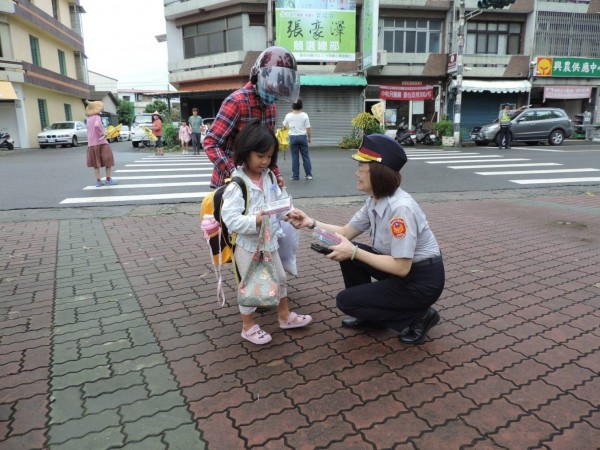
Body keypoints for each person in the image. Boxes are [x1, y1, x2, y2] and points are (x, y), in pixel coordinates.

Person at [289, 134, 445, 345]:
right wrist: (310, 222)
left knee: (346, 300)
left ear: (378, 172)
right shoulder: (375, 200)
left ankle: (421, 316)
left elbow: (401, 267)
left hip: (420, 282)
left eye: (362, 168)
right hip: (401, 270)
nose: (356, 173)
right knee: (351, 253)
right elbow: (345, 232)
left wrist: (353, 251)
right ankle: (371, 314)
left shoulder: (400, 209)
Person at [221, 118, 313, 345]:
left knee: (280, 278)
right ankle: (248, 326)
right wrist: (255, 221)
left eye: (269, 156)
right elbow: (230, 219)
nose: (265, 161)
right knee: (252, 286)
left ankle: (284, 316)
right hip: (248, 245)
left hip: (269, 241)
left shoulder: (269, 177)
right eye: (260, 156)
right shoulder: (238, 184)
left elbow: (279, 202)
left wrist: (289, 213)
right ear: (246, 153)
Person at [203, 45, 300, 188]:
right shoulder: (236, 102)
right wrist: (233, 171)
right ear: (256, 78)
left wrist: (276, 174)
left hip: (257, 183)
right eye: (270, 90)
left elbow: (266, 148)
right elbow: (210, 143)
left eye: (278, 94)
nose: (273, 98)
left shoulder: (271, 107)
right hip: (230, 184)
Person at [85, 101, 118, 188]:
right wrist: (103, 132)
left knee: (96, 164)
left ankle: (98, 181)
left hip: (92, 144)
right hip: (101, 142)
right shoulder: (97, 117)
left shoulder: (88, 119)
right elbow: (97, 126)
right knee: (108, 161)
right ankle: (108, 179)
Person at [283, 98, 313, 180]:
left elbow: (285, 127)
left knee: (295, 157)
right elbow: (308, 128)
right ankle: (309, 175)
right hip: (302, 137)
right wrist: (309, 138)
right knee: (306, 156)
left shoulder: (288, 115)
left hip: (293, 138)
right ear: (301, 105)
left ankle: (295, 176)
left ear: (293, 105)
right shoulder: (305, 115)